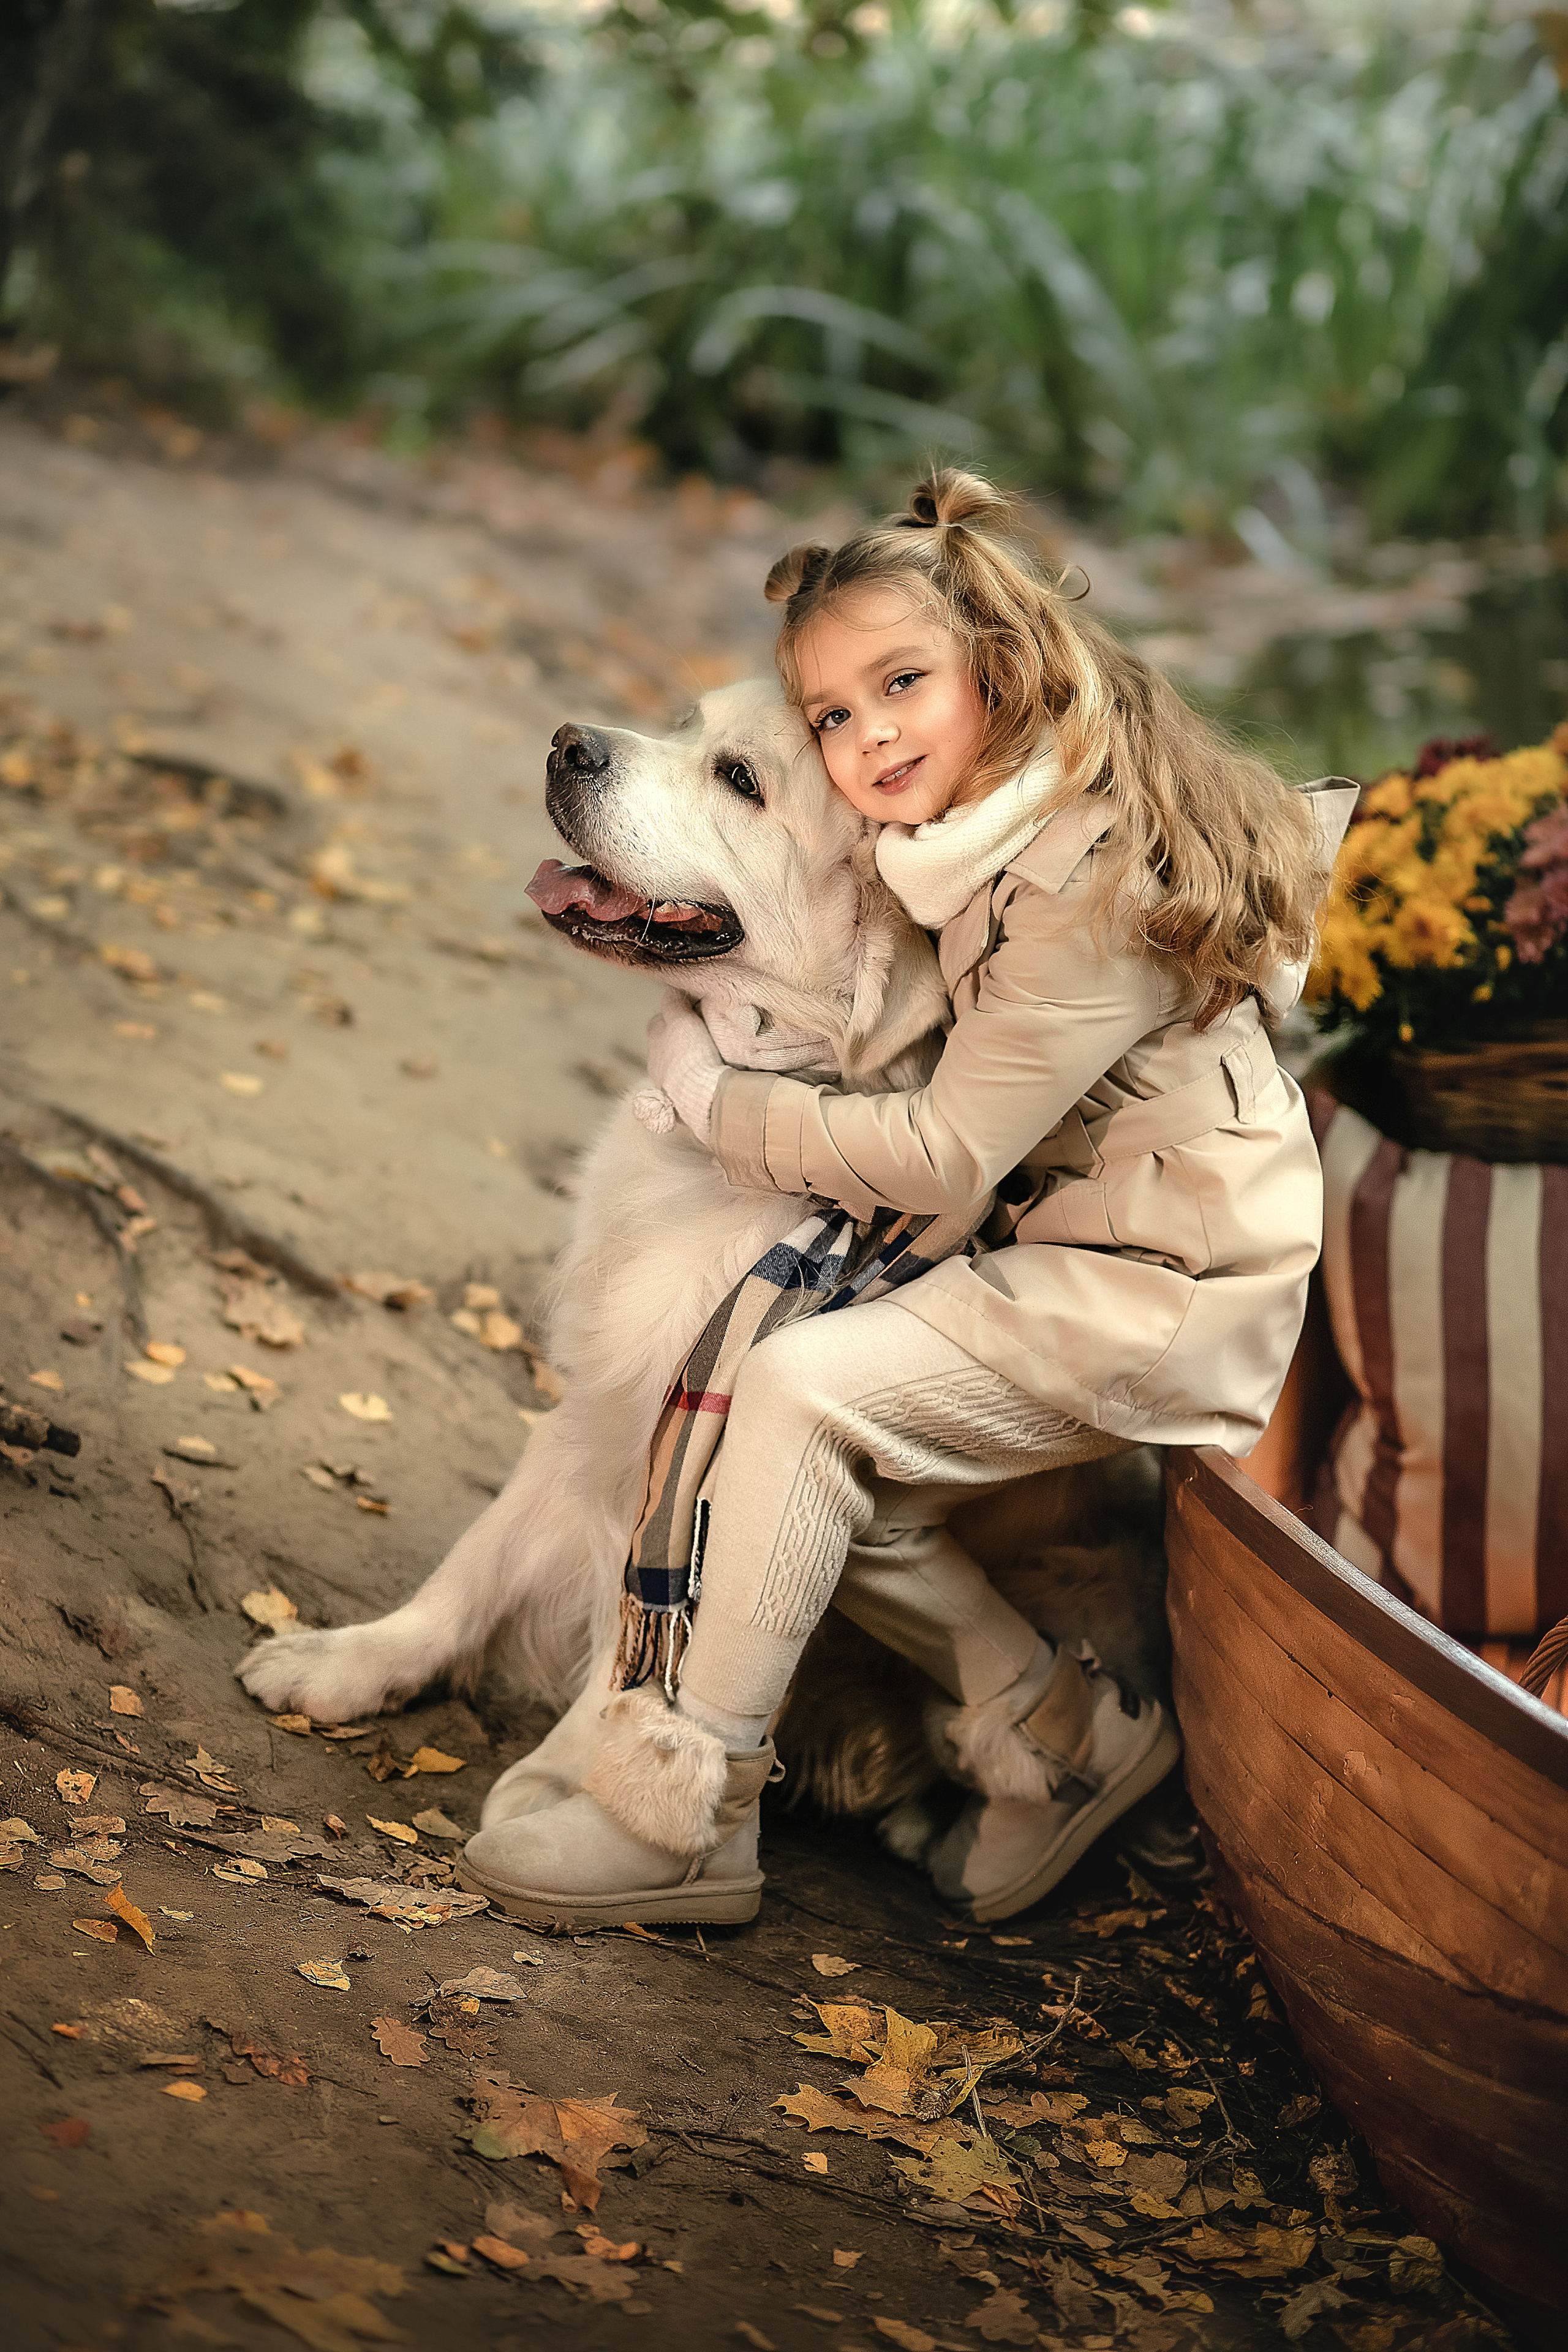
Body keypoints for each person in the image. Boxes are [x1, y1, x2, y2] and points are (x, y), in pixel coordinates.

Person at [459, 470, 1355, 1929]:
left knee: (796, 1395)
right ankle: (1063, 1733)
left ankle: (689, 1816)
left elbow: (945, 1156)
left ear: (1000, 670)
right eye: (827, 713)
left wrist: (713, 1101)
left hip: (1156, 1292)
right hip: (1071, 1253)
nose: (864, 734)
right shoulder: (981, 841)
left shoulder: (1086, 884)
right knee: (816, 1492)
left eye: (899, 684)